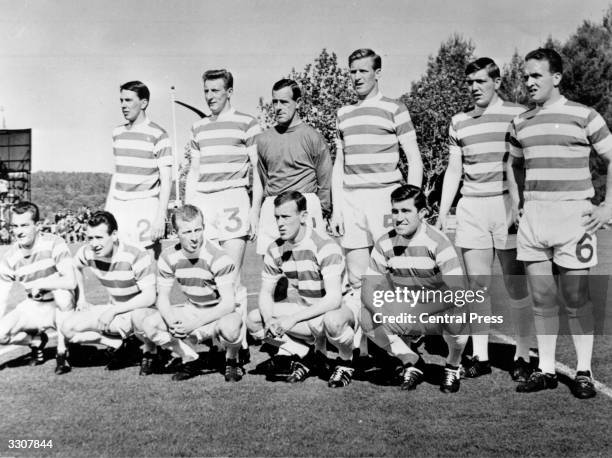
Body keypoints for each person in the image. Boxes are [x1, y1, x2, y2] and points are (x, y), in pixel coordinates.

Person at [508, 48, 612, 399]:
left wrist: (607, 207)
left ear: (557, 77)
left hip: (574, 216)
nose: (528, 81)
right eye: (525, 75)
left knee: (575, 298)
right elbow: (514, 165)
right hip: (535, 216)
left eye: (536, 75)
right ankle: (547, 370)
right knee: (541, 299)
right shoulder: (520, 122)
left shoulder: (584, 115)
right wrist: (518, 204)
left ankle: (583, 371)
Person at [437, 57, 533, 381]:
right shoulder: (458, 121)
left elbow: (525, 164)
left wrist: (525, 204)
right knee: (477, 287)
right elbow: (454, 170)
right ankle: (480, 356)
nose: (475, 87)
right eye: (470, 82)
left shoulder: (517, 115)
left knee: (514, 283)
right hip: (471, 208)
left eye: (481, 81)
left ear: (497, 81)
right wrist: (442, 211)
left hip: (506, 205)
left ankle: (522, 355)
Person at [330, 48, 424, 300]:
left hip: (385, 197)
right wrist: (337, 208)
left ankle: (410, 336)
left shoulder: (395, 108)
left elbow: (414, 159)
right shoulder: (343, 114)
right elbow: (339, 164)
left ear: (377, 73)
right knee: (357, 278)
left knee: (397, 272)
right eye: (353, 72)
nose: (357, 77)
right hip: (352, 200)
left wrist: (411, 204)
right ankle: (368, 340)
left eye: (363, 71)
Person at [247, 191, 360, 387]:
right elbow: (266, 292)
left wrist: (292, 319)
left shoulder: (324, 245)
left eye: (286, 217)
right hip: (308, 310)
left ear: (304, 217)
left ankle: (345, 360)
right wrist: (269, 321)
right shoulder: (275, 248)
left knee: (332, 321)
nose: (280, 223)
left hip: (341, 310)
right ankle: (305, 353)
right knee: (254, 320)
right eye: (277, 217)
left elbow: (334, 299)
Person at [362, 185, 468, 393]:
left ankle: (453, 365)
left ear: (422, 213)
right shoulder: (384, 243)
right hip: (406, 307)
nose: (399, 218)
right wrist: (385, 316)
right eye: (395, 211)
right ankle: (412, 361)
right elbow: (367, 289)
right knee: (366, 315)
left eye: (406, 211)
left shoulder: (438, 242)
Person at [185, 69, 261, 333]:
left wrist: (254, 211)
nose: (209, 96)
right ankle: (220, 338)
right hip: (205, 201)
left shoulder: (247, 123)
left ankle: (236, 347)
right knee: (208, 275)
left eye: (215, 90)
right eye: (206, 91)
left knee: (232, 275)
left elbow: (257, 171)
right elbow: (193, 171)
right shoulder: (198, 127)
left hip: (233, 199)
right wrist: (187, 209)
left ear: (229, 92)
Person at [135, 205, 244, 382]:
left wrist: (194, 324)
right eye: (187, 232)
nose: (194, 238)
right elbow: (162, 297)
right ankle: (190, 358)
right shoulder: (168, 257)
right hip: (191, 308)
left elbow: (228, 304)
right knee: (149, 324)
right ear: (175, 232)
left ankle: (232, 359)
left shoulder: (218, 257)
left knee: (231, 329)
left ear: (204, 227)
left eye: (198, 230)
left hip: (218, 313)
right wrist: (172, 322)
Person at [61, 211, 156, 371]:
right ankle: (121, 346)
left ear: (114, 235)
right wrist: (81, 298)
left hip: (140, 310)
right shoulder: (87, 252)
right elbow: (76, 266)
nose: (94, 243)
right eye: (90, 238)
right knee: (68, 328)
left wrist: (113, 311)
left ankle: (151, 350)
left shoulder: (136, 253)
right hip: (115, 310)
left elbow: (149, 297)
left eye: (99, 237)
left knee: (141, 322)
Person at [255, 78, 332, 255]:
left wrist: (323, 210)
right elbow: (263, 176)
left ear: (297, 103)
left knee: (310, 266)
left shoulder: (312, 136)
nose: (278, 107)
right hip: (273, 205)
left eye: (284, 102)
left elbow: (325, 178)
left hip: (305, 204)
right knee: (272, 268)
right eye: (275, 102)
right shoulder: (264, 139)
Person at [0, 202, 76, 374]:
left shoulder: (54, 243)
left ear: (37, 225)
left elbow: (70, 281)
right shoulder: (10, 257)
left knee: (63, 295)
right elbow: (1, 297)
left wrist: (40, 284)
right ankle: (36, 342)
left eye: (25, 225)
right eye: (15, 226)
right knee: (0, 333)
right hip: (34, 305)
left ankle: (62, 353)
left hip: (60, 306)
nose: (19, 231)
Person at [105, 80, 172, 258]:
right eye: (121, 100)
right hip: (119, 207)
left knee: (148, 265)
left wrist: (160, 217)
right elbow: (117, 174)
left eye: (128, 100)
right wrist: (108, 211)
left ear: (144, 103)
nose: (123, 105)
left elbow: (166, 180)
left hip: (145, 205)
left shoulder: (159, 134)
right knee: (120, 263)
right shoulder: (117, 133)